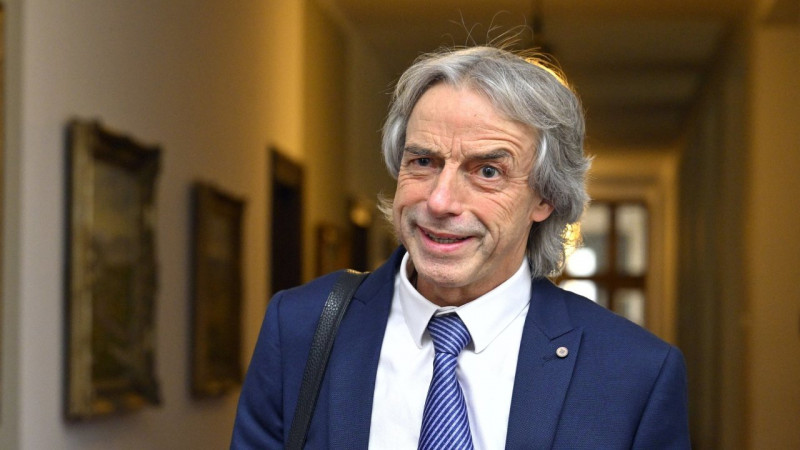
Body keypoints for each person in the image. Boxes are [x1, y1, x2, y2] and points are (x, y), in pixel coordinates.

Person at [231, 45, 690, 449]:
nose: (440, 201)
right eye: (423, 161)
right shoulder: (300, 328)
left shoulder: (634, 373)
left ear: (545, 198)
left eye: (488, 171)